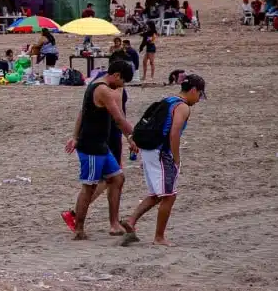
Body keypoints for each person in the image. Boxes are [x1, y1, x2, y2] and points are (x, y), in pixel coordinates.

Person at [123, 73, 204, 246]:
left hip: (148, 150)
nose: (198, 100)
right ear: (194, 90)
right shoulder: (182, 107)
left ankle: (131, 221)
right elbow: (174, 133)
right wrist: (176, 158)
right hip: (161, 152)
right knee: (169, 195)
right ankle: (159, 237)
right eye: (199, 95)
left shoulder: (168, 100)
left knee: (156, 194)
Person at [63, 60, 139, 240]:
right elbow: (119, 119)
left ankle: (114, 223)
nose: (122, 86)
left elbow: (83, 112)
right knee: (89, 187)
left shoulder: (97, 84)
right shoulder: (103, 90)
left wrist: (74, 136)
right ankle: (79, 229)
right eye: (123, 82)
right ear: (117, 75)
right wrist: (135, 136)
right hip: (91, 146)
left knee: (117, 178)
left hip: (101, 145)